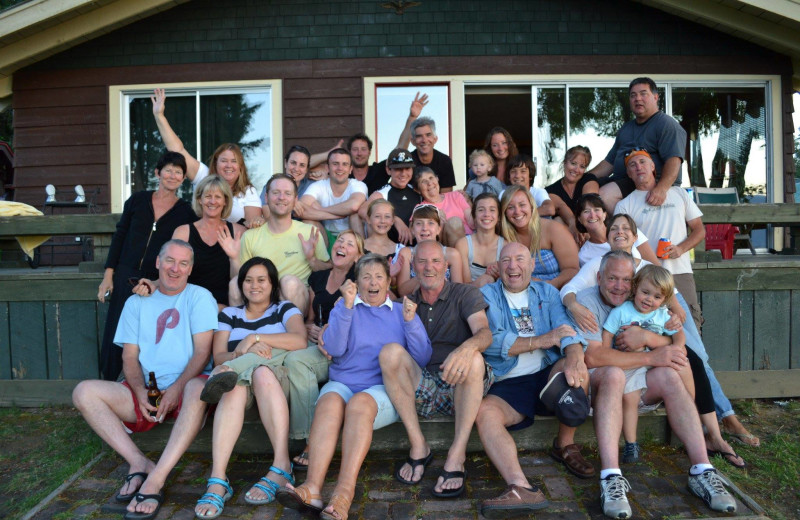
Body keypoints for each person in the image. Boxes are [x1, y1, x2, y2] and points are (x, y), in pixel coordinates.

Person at [562, 214, 758, 457]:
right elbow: (572, 292)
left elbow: (671, 301)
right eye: (614, 228)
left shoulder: (645, 269)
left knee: (692, 358)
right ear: (606, 235)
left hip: (657, 331)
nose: (620, 232)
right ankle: (648, 442)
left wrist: (668, 324)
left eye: (626, 229)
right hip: (630, 358)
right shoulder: (599, 266)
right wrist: (573, 304)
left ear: (636, 238)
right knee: (677, 361)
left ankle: (713, 431)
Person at [579, 251, 737, 518]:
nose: (619, 286)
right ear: (599, 278)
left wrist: (650, 339)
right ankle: (610, 477)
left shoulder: (654, 308)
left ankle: (702, 469)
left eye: (625, 279)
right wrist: (652, 354)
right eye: (612, 278)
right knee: (615, 374)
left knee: (672, 373)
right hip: (602, 383)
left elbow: (677, 342)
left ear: (635, 281)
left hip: (640, 379)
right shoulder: (587, 302)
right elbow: (594, 357)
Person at [277, 254, 431, 520]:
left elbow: (422, 357)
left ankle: (344, 493)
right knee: (328, 402)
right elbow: (335, 349)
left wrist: (411, 321)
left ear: (388, 280)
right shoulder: (344, 307)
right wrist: (346, 308)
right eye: (366, 277)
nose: (373, 282)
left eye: (379, 276)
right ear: (356, 282)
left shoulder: (399, 311)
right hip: (344, 381)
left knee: (359, 403)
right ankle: (312, 488)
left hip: (384, 390)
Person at [74, 240, 218, 520]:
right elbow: (129, 357)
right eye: (169, 261)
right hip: (149, 390)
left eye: (183, 263)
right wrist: (139, 390)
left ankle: (156, 479)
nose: (175, 269)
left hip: (188, 389)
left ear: (190, 268)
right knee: (84, 392)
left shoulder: (199, 297)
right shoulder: (136, 301)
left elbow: (203, 352)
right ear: (157, 262)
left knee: (196, 387)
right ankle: (139, 462)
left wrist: (176, 389)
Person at [476, 241, 591, 517]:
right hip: (508, 381)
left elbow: (567, 330)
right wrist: (541, 339)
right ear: (498, 267)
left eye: (519, 259)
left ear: (530, 265)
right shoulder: (488, 295)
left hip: (545, 374)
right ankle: (521, 487)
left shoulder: (547, 292)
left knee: (573, 364)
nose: (512, 266)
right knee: (484, 413)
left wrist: (575, 355)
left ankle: (564, 443)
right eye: (505, 261)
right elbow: (490, 341)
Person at [193, 257, 306, 518]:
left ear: (273, 284)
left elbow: (300, 340)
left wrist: (253, 338)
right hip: (241, 390)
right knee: (234, 386)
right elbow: (218, 356)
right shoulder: (229, 315)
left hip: (276, 384)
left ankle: (280, 466)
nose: (254, 285)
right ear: (241, 284)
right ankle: (218, 480)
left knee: (262, 372)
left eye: (261, 280)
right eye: (248, 280)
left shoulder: (283, 308)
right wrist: (242, 353)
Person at [381, 240, 492, 498]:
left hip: (463, 384)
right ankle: (419, 446)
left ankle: (456, 455)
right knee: (389, 353)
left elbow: (485, 334)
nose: (428, 267)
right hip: (424, 385)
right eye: (422, 261)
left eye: (435, 261)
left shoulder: (465, 293)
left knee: (474, 358)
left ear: (445, 266)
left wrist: (466, 349)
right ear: (414, 268)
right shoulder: (406, 303)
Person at [97, 152, 196, 381]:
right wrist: (108, 275)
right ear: (157, 173)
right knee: (116, 329)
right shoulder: (137, 200)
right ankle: (110, 381)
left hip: (155, 281)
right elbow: (120, 236)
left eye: (178, 172)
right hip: (126, 274)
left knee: (147, 334)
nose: (172, 175)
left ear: (183, 179)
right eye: (168, 170)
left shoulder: (185, 212)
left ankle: (141, 385)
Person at [289, 230, 364, 470]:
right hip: (316, 344)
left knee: (297, 362)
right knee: (291, 359)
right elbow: (310, 317)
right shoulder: (318, 277)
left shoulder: (359, 281)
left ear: (358, 255)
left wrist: (329, 332)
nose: (342, 245)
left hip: (342, 349)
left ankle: (312, 439)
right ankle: (307, 434)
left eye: (350, 244)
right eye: (339, 241)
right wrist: (309, 327)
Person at [601, 264, 691, 464]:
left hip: (656, 365)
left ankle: (690, 411)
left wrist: (678, 348)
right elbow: (607, 338)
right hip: (631, 364)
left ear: (664, 300)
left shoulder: (662, 315)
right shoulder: (621, 312)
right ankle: (631, 443)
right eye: (645, 292)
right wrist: (609, 354)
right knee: (630, 398)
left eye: (657, 297)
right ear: (635, 288)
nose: (649, 299)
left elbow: (679, 334)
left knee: (682, 365)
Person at [615, 149, 705, 330]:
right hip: (645, 276)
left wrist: (680, 248)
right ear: (629, 174)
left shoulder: (679, 194)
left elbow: (699, 230)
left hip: (680, 271)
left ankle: (695, 359)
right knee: (654, 328)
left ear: (653, 167)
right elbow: (622, 244)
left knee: (690, 323)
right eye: (632, 165)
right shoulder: (625, 205)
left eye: (642, 162)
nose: (638, 167)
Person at [151, 88, 263, 228]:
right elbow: (177, 150)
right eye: (224, 161)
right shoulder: (203, 175)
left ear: (240, 168)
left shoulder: (248, 192)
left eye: (234, 161)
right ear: (215, 164)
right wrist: (159, 115)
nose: (229, 165)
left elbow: (252, 224)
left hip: (232, 243)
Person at [238, 173, 332, 314]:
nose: (281, 197)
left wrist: (312, 259)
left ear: (295, 200)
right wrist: (233, 257)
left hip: (297, 299)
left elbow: (327, 273)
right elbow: (240, 279)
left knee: (289, 282)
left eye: (287, 193)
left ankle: (296, 332)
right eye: (276, 193)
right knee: (234, 284)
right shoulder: (250, 236)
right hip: (261, 298)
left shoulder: (310, 232)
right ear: (266, 198)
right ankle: (243, 329)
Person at [589, 77, 687, 210]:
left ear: (656, 97)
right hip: (621, 180)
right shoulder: (626, 129)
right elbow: (609, 163)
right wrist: (583, 178)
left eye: (643, 94)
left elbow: (674, 161)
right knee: (587, 189)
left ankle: (629, 230)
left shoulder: (666, 125)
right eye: (633, 95)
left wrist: (661, 189)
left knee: (605, 195)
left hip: (648, 183)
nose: (638, 99)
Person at [173, 175, 245, 309]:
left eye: (218, 197)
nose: (213, 201)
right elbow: (173, 271)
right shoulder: (183, 232)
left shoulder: (239, 232)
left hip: (229, 308)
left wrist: (234, 258)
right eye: (207, 196)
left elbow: (242, 282)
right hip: (191, 305)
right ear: (200, 199)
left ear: (225, 201)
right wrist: (153, 284)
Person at [500, 185, 579, 289]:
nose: (517, 211)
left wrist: (549, 286)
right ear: (505, 212)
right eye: (510, 207)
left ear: (532, 206)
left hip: (557, 290)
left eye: (522, 205)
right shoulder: (503, 236)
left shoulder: (552, 229)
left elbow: (572, 269)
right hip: (520, 294)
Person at [300, 148, 367, 244]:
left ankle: (361, 256)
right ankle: (323, 258)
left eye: (345, 164)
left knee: (354, 215)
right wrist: (339, 215)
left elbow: (353, 206)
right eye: (335, 164)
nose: (340, 168)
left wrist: (320, 210)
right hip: (327, 236)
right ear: (327, 168)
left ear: (350, 169)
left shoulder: (358, 185)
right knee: (308, 221)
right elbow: (299, 209)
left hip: (352, 238)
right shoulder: (318, 186)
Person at [395, 205, 465, 296]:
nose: (425, 228)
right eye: (419, 223)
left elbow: (458, 291)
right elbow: (402, 292)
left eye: (431, 223)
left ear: (439, 229)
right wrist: (425, 276)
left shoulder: (452, 255)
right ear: (412, 229)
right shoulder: (406, 254)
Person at [573, 194, 659, 267]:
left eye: (596, 210)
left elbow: (655, 266)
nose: (592, 215)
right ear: (579, 219)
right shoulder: (584, 255)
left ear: (604, 215)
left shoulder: (628, 232)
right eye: (586, 211)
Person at [358, 148, 422, 245]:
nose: (403, 173)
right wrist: (395, 219)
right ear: (388, 170)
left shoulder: (417, 190)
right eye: (398, 169)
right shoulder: (382, 193)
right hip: (391, 249)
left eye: (407, 168)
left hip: (417, 247)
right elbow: (362, 211)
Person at [396, 93, 456, 191]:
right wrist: (412, 117)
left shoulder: (445, 161)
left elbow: (446, 196)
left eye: (428, 135)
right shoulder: (407, 161)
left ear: (435, 139)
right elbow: (399, 152)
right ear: (413, 141)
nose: (424, 140)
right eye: (419, 136)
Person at [546, 145, 599, 237]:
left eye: (582, 166)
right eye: (573, 163)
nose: (576, 170)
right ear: (565, 162)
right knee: (558, 220)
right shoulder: (551, 190)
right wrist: (574, 224)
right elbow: (561, 207)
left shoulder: (588, 179)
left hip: (589, 229)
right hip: (566, 235)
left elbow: (589, 206)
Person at [413, 166, 473, 247]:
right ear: (417, 190)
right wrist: (441, 224)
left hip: (471, 241)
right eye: (424, 181)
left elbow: (472, 222)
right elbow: (417, 234)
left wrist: (471, 203)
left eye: (431, 178)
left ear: (437, 179)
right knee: (454, 222)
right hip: (445, 248)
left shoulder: (456, 195)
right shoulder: (422, 209)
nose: (430, 183)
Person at [455, 193, 504, 288]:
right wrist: (484, 279)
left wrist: (499, 275)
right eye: (481, 210)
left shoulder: (506, 246)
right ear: (474, 216)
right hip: (470, 298)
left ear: (498, 217)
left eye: (492, 210)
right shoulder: (463, 244)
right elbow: (463, 286)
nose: (487, 214)